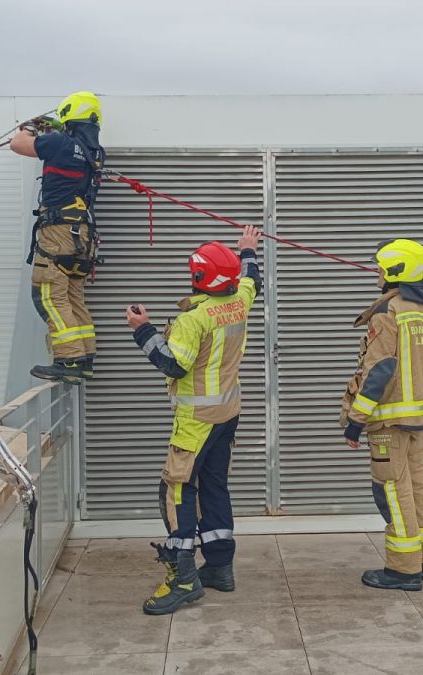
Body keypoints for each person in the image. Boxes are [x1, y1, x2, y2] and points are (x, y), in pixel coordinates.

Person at [125, 225, 263, 615]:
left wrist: (144, 330)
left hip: (196, 419)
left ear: (199, 277)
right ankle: (220, 567)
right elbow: (254, 282)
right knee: (214, 486)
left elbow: (174, 364)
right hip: (227, 415)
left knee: (177, 491)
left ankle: (183, 577)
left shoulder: (194, 319)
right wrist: (248, 251)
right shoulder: (239, 301)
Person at [341, 239, 423, 591]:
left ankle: (403, 570)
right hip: (419, 419)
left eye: (381, 267)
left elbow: (379, 370)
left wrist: (355, 420)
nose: (377, 273)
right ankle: (422, 560)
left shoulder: (388, 313)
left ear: (395, 271)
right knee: (416, 489)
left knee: (392, 493)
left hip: (389, 422)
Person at [10, 91, 106, 383]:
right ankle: (84, 358)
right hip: (82, 235)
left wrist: (29, 128)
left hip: (59, 232)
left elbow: (18, 144)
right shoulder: (94, 152)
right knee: (73, 296)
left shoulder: (60, 143)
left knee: (48, 295)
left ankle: (68, 361)